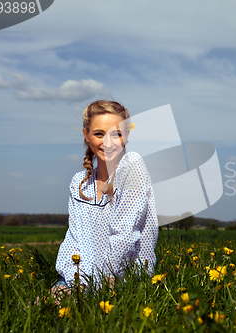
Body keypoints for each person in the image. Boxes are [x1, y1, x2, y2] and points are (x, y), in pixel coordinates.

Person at [52, 100, 158, 300]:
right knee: (42, 308)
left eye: (116, 134)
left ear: (126, 136)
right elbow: (74, 239)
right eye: (99, 134)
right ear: (86, 135)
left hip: (122, 279)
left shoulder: (132, 170)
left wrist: (97, 285)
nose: (107, 142)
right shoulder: (79, 183)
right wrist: (76, 280)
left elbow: (124, 238)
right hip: (82, 277)